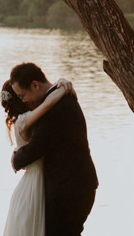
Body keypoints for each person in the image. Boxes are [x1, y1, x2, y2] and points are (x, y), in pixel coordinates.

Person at [9, 62, 98, 236]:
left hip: (69, 191)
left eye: (22, 95)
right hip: (71, 187)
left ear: (35, 85)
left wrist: (15, 159)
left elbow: (36, 147)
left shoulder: (56, 108)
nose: (23, 101)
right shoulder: (59, 98)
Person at [0, 76, 74, 236]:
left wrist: (59, 82)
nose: (27, 96)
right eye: (22, 94)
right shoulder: (23, 121)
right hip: (34, 188)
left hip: (35, 182)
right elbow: (47, 104)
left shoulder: (27, 119)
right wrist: (62, 88)